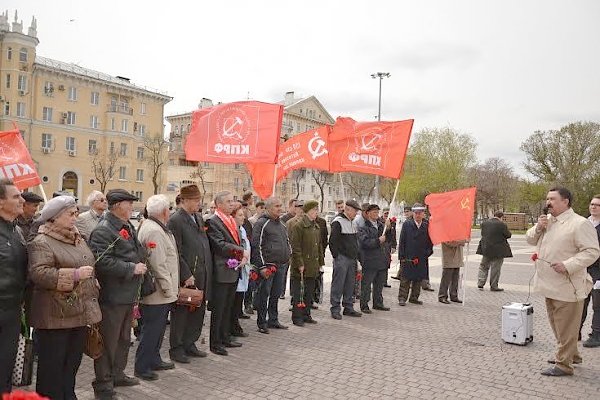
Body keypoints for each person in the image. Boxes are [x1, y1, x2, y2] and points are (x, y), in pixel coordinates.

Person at [27, 195, 102, 399]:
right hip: (54, 317)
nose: (75, 217)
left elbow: (87, 262)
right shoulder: (42, 241)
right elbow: (39, 273)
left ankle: (68, 394)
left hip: (78, 313)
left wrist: (91, 280)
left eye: (76, 212)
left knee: (71, 365)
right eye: (71, 213)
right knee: (52, 369)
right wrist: (75, 275)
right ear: (54, 217)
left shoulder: (76, 238)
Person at [526, 187, 599, 376]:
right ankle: (571, 355)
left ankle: (563, 364)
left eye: (552, 199)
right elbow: (529, 239)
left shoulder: (579, 223)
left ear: (565, 201)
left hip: (567, 285)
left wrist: (568, 265)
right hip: (548, 284)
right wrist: (538, 227)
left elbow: (592, 251)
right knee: (559, 325)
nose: (547, 202)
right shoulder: (548, 221)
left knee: (566, 326)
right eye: (547, 198)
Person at [89, 189, 147, 399]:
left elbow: (133, 250)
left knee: (123, 339)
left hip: (127, 294)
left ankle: (118, 374)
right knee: (108, 342)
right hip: (112, 297)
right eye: (128, 203)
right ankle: (103, 384)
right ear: (116, 206)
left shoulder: (126, 225)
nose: (132, 207)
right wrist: (131, 268)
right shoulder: (104, 230)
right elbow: (102, 262)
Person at [135, 195, 179, 381]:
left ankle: (154, 359)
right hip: (158, 292)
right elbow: (158, 264)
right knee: (151, 330)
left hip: (160, 291)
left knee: (158, 329)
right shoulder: (154, 231)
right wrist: (169, 290)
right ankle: (142, 366)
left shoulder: (154, 227)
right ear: (164, 211)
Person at [167, 185, 212, 363]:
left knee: (198, 310)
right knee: (182, 312)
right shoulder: (176, 220)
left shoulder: (198, 218)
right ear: (184, 200)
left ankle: (190, 342)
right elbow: (175, 251)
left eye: (199, 200)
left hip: (202, 272)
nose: (198, 203)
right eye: (195, 200)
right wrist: (186, 273)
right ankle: (177, 348)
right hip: (187, 276)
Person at [206, 191, 246, 356]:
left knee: (228, 307)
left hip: (233, 270)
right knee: (219, 309)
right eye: (229, 201)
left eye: (233, 201)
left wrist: (241, 254)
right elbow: (219, 245)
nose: (232, 204)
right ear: (219, 204)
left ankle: (225, 337)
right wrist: (240, 251)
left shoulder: (230, 220)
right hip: (221, 271)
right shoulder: (213, 221)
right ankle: (215, 343)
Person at [0, 180, 27, 395]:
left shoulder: (16, 230)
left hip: (12, 311)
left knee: (6, 367)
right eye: (16, 197)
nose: (23, 200)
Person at [250, 197, 291, 334]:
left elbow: (286, 241)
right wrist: (262, 266)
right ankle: (262, 322)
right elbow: (257, 246)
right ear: (268, 208)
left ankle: (273, 319)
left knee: (275, 294)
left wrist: (288, 254)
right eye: (276, 206)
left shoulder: (282, 224)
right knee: (264, 294)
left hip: (281, 266)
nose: (280, 208)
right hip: (268, 267)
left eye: (281, 205)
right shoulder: (262, 223)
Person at [289, 200, 323, 326]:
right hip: (301, 266)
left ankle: (306, 314)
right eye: (314, 210)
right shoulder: (299, 226)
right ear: (307, 211)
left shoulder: (316, 226)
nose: (316, 212)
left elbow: (318, 246)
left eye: (317, 210)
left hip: (312, 265)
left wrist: (320, 262)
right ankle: (297, 317)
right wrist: (300, 263)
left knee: (309, 292)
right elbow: (295, 247)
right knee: (299, 293)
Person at [329, 200, 362, 320]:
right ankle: (335, 308)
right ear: (348, 209)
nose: (356, 213)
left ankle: (348, 307)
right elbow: (333, 241)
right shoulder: (338, 222)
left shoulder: (353, 223)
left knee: (350, 284)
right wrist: (337, 256)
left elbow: (355, 242)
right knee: (338, 284)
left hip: (352, 258)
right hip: (342, 258)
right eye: (355, 211)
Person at [397, 203, 433, 306]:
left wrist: (428, 253)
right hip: (408, 256)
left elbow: (430, 242)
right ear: (413, 214)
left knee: (418, 278)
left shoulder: (426, 226)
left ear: (423, 214)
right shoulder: (407, 224)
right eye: (416, 213)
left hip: (421, 256)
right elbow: (402, 241)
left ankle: (414, 297)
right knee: (405, 279)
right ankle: (402, 297)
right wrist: (401, 256)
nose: (418, 215)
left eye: (420, 213)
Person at [358, 204, 390, 313]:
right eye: (374, 212)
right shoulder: (363, 227)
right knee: (366, 285)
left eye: (377, 212)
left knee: (379, 284)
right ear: (368, 213)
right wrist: (377, 241)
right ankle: (364, 305)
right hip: (370, 260)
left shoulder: (381, 226)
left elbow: (388, 239)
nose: (376, 214)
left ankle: (378, 303)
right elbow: (364, 243)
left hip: (381, 260)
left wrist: (389, 228)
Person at [476, 211, 512, 291]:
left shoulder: (484, 223)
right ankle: (494, 286)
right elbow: (508, 235)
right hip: (498, 250)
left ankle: (480, 283)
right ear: (501, 217)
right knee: (495, 268)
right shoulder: (502, 225)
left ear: (494, 215)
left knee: (483, 266)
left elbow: (483, 234)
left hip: (486, 249)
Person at [230, 202, 251, 337]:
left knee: (238, 301)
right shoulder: (233, 230)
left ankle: (235, 325)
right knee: (233, 303)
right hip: (235, 268)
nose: (243, 217)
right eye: (240, 215)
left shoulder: (242, 229)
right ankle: (233, 327)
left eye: (243, 215)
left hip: (244, 268)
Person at [581, 195, 600, 347]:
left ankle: (596, 335)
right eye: (592, 204)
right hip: (582, 270)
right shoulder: (583, 223)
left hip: (597, 272)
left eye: (597, 205)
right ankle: (575, 332)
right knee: (580, 303)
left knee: (597, 305)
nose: (593, 207)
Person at [314, 212, 328, 305]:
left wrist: (322, 253)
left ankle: (315, 298)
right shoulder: (301, 223)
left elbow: (324, 239)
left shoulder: (322, 222)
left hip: (319, 254)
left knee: (317, 277)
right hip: (308, 256)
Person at [380, 208, 397, 288]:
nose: (386, 215)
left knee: (387, 263)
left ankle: (384, 281)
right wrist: (386, 226)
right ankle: (379, 280)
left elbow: (393, 234)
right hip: (380, 245)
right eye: (385, 213)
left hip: (388, 245)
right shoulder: (379, 221)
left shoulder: (392, 222)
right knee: (381, 263)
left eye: (388, 213)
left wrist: (394, 245)